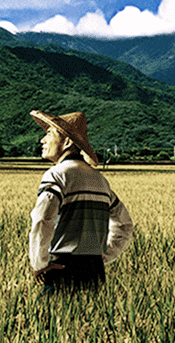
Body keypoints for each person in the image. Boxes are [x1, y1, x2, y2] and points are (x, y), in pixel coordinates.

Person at [28, 110, 134, 291]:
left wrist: (40, 264)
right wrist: (102, 257)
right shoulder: (100, 180)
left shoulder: (57, 175)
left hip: (61, 269)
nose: (42, 140)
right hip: (95, 272)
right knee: (90, 317)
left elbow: (42, 220)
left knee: (51, 317)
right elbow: (124, 225)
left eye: (49, 133)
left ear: (67, 142)